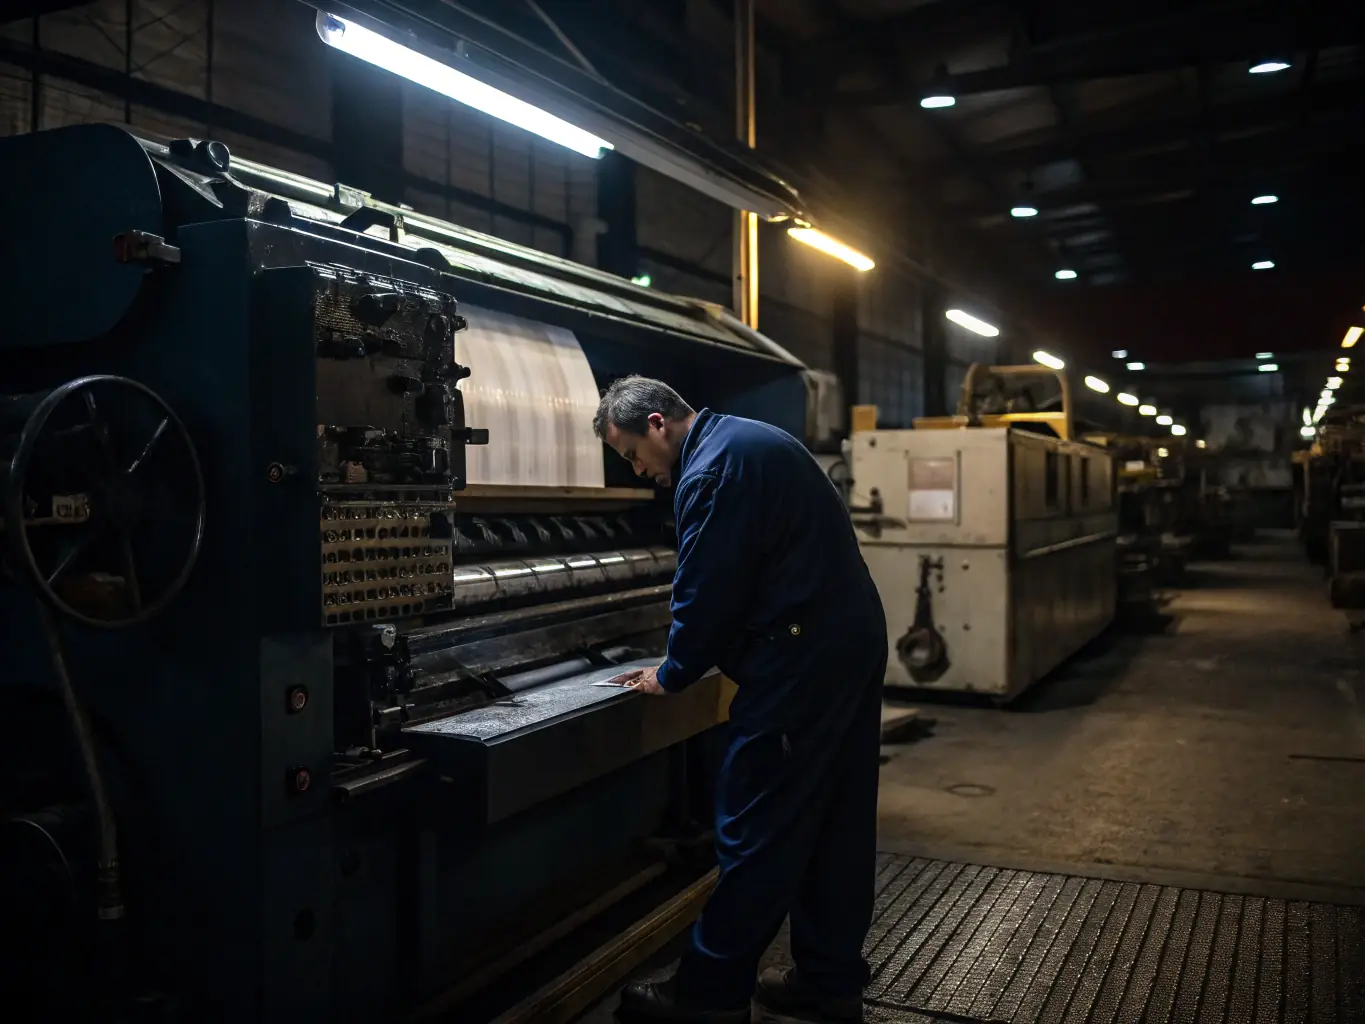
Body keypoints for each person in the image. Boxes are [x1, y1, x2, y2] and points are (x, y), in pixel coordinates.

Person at [592, 376, 887, 1024]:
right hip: (847, 641)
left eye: (631, 455)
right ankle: (828, 981)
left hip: (799, 659)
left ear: (657, 425)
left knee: (760, 826)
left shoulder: (710, 472)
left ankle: (707, 994)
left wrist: (672, 672)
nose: (639, 472)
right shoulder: (750, 440)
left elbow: (707, 587)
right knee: (836, 822)